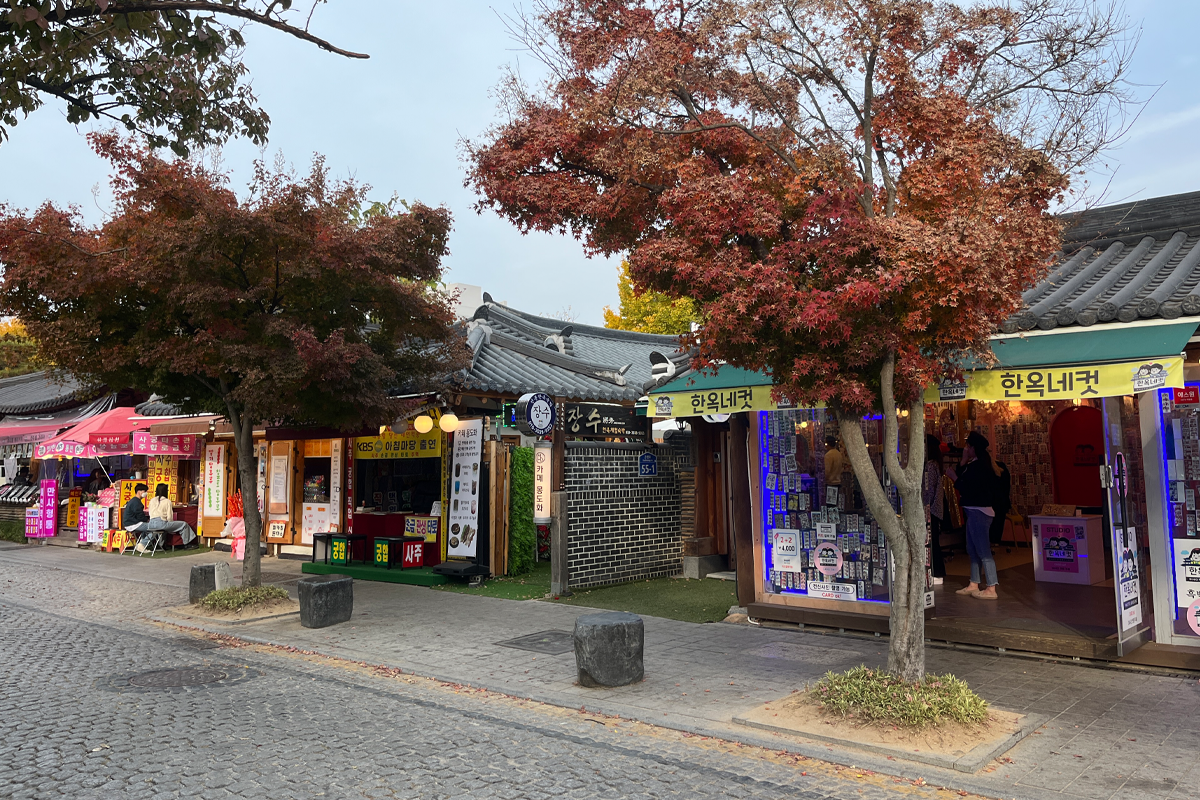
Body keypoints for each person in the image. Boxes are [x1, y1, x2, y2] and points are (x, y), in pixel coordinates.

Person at [954, 431, 1002, 599]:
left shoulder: (979, 467)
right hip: (974, 510)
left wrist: (954, 477)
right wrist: (962, 462)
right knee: (972, 549)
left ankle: (991, 587)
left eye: (968, 446)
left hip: (979, 512)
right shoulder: (975, 464)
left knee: (983, 550)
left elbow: (966, 486)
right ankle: (974, 582)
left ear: (974, 448)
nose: (966, 449)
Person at [922, 434, 946, 584]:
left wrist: (924, 505)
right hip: (935, 509)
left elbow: (928, 490)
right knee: (933, 540)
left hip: (930, 509)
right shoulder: (936, 464)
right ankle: (937, 572)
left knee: (932, 541)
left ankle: (937, 572)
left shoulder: (930, 466)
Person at [988, 456, 1012, 546]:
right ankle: (995, 541)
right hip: (1002, 502)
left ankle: (991, 542)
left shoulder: (988, 470)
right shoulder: (1002, 468)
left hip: (993, 503)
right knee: (998, 523)